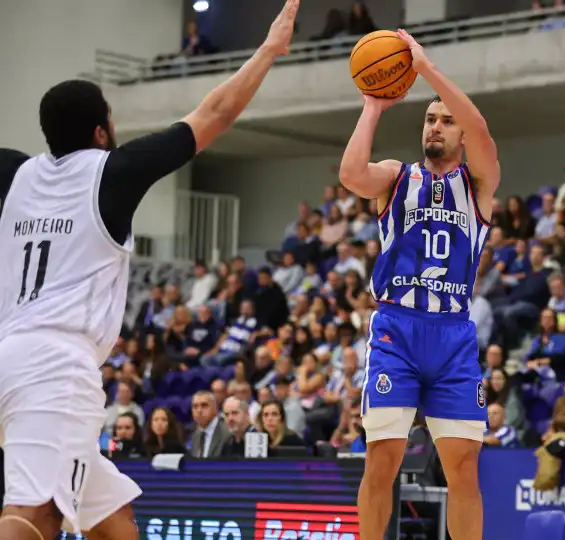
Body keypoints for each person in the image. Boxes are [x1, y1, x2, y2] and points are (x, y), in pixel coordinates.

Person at [0, 2, 300, 538]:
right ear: (100, 130)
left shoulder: (15, 175)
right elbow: (214, 115)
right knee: (36, 512)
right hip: (56, 367)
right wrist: (269, 50)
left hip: (10, 356)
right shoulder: (111, 172)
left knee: (114, 521)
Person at [338, 29, 499, 540]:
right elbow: (349, 175)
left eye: (447, 121)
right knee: (380, 462)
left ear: (461, 136)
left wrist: (426, 70)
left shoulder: (478, 186)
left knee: (464, 471)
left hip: (452, 334)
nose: (437, 125)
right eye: (430, 118)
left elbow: (481, 127)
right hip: (397, 330)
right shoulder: (395, 175)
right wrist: (372, 106)